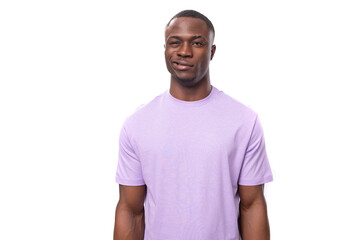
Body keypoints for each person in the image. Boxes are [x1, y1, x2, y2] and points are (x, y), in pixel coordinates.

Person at [113, 9, 273, 240]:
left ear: (212, 51)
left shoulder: (244, 120)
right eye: (175, 42)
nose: (184, 52)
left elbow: (252, 205)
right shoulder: (137, 124)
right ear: (165, 49)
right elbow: (130, 210)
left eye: (197, 43)